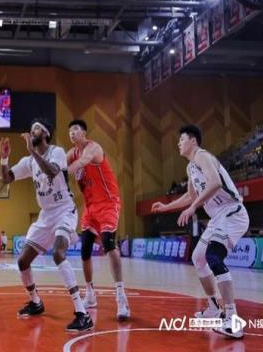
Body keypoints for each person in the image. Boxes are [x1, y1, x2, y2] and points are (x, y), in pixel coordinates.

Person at [152, 125, 249, 339]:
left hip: (232, 211)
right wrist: (166, 207)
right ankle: (214, 307)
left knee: (213, 256)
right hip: (218, 218)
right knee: (198, 258)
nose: (178, 143)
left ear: (193, 141)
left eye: (181, 139)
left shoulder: (202, 156)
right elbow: (190, 196)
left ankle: (233, 320)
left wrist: (193, 207)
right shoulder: (190, 168)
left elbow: (215, 183)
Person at [0, 119, 93, 333]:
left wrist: (33, 152)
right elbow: (6, 178)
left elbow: (52, 171)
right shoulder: (29, 161)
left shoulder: (57, 152)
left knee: (58, 253)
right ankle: (35, 302)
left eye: (36, 129)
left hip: (64, 211)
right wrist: (4, 158)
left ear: (46, 134)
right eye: (31, 129)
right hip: (45, 216)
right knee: (23, 261)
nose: (32, 131)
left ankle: (82, 313)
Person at [66, 119, 130, 320]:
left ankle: (121, 297)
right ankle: (90, 294)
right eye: (70, 130)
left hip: (108, 203)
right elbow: (57, 162)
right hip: (91, 207)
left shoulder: (93, 148)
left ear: (84, 133)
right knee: (85, 249)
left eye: (76, 129)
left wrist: (60, 171)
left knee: (109, 245)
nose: (72, 133)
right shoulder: (71, 153)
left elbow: (82, 162)